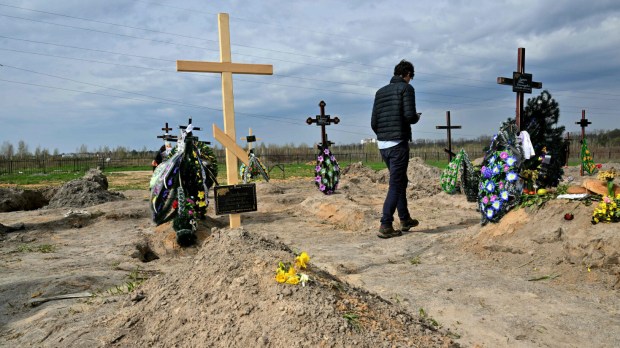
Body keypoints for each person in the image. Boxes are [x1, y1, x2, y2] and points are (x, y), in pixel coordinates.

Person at [371, 59, 421, 238]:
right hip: (398, 143)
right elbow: (409, 116)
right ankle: (385, 224)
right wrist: (416, 117)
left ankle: (405, 219)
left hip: (383, 144)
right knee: (396, 184)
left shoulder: (380, 92)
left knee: (400, 181)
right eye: (411, 77)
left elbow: (374, 123)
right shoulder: (406, 89)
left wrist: (384, 135)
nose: (411, 80)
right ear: (407, 74)